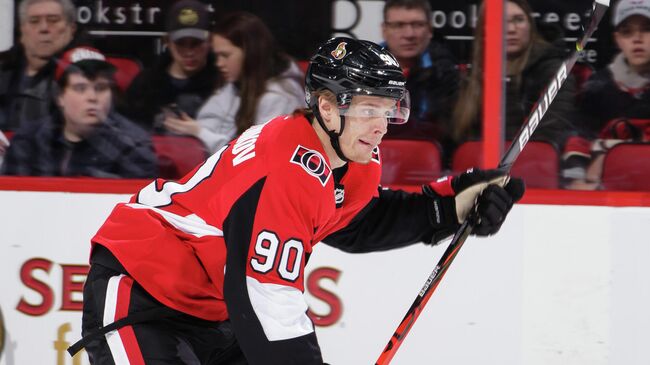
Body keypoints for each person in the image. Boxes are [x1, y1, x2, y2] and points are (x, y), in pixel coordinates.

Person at [71, 37, 524, 364]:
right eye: (369, 110)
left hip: (214, 311)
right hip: (143, 292)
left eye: (389, 110)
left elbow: (357, 222)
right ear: (327, 107)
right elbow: (266, 297)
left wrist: (448, 207)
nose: (381, 126)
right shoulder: (284, 169)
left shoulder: (350, 156)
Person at [1, 46, 158, 178]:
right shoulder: (28, 141)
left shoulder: (133, 146)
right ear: (60, 96)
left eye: (101, 88)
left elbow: (138, 207)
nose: (92, 97)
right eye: (80, 88)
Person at [162, 11, 305, 154]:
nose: (218, 63)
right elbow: (210, 120)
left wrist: (200, 133)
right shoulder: (236, 84)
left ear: (250, 53)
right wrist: (187, 128)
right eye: (216, 55)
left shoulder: (279, 98)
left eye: (225, 55)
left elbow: (256, 157)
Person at [452, 0, 581, 149]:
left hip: (532, 164)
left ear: (530, 26)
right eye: (500, 21)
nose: (511, 29)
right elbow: (456, 138)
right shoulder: (469, 78)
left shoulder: (556, 73)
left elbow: (548, 135)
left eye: (518, 20)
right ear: (484, 30)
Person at [571, 0, 650, 189]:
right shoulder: (597, 87)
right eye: (627, 31)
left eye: (646, 29)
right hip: (607, 191)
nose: (637, 38)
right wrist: (576, 177)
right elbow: (578, 138)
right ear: (617, 39)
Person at [124, 0, 220, 132]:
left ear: (209, 41)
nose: (189, 52)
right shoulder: (146, 84)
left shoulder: (221, 84)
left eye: (196, 43)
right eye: (180, 43)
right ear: (167, 42)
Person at [381, 0, 460, 147]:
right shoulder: (365, 69)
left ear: (430, 30)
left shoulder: (446, 73)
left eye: (417, 25)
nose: (409, 34)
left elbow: (449, 134)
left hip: (431, 164)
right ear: (384, 30)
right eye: (399, 25)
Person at [0, 0, 77, 131]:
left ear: (72, 29)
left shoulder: (86, 74)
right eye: (34, 21)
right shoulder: (3, 67)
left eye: (53, 20)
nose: (44, 28)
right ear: (22, 30)